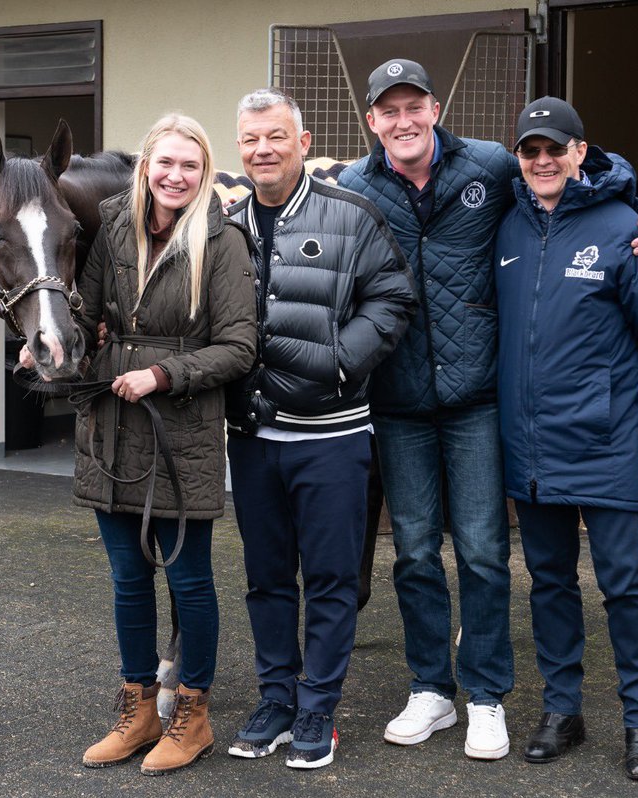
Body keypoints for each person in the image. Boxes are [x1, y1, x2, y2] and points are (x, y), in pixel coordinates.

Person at [336, 59, 638, 760]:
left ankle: (487, 695)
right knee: (418, 555)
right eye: (387, 110)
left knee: (488, 554)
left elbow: (586, 178)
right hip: (399, 406)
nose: (403, 121)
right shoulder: (354, 187)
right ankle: (432, 690)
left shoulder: (489, 167)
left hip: (477, 404)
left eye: (414, 106)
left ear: (435, 107)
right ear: (371, 121)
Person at [495, 96, 638, 781]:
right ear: (518, 159)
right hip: (530, 445)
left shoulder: (627, 230)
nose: (543, 161)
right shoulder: (505, 226)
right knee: (548, 581)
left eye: (557, 148)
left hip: (608, 442)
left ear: (583, 151)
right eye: (531, 150)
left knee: (625, 583)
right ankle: (562, 709)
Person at [56, 114, 256, 775]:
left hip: (183, 430)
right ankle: (140, 709)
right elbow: (85, 311)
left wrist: (163, 372)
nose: (176, 175)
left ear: (204, 175)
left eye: (190, 166)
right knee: (126, 578)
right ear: (146, 164)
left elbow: (239, 346)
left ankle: (192, 716)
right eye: (165, 162)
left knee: (190, 578)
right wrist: (65, 339)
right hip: (112, 426)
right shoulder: (112, 226)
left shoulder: (221, 241)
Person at [224, 88, 417, 769]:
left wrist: (342, 362)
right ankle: (276, 697)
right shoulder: (226, 226)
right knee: (266, 578)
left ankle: (317, 709)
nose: (263, 150)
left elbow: (394, 294)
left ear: (303, 143)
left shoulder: (351, 214)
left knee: (331, 580)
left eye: (276, 136)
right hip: (252, 439)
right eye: (250, 140)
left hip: (333, 436)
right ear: (239, 148)